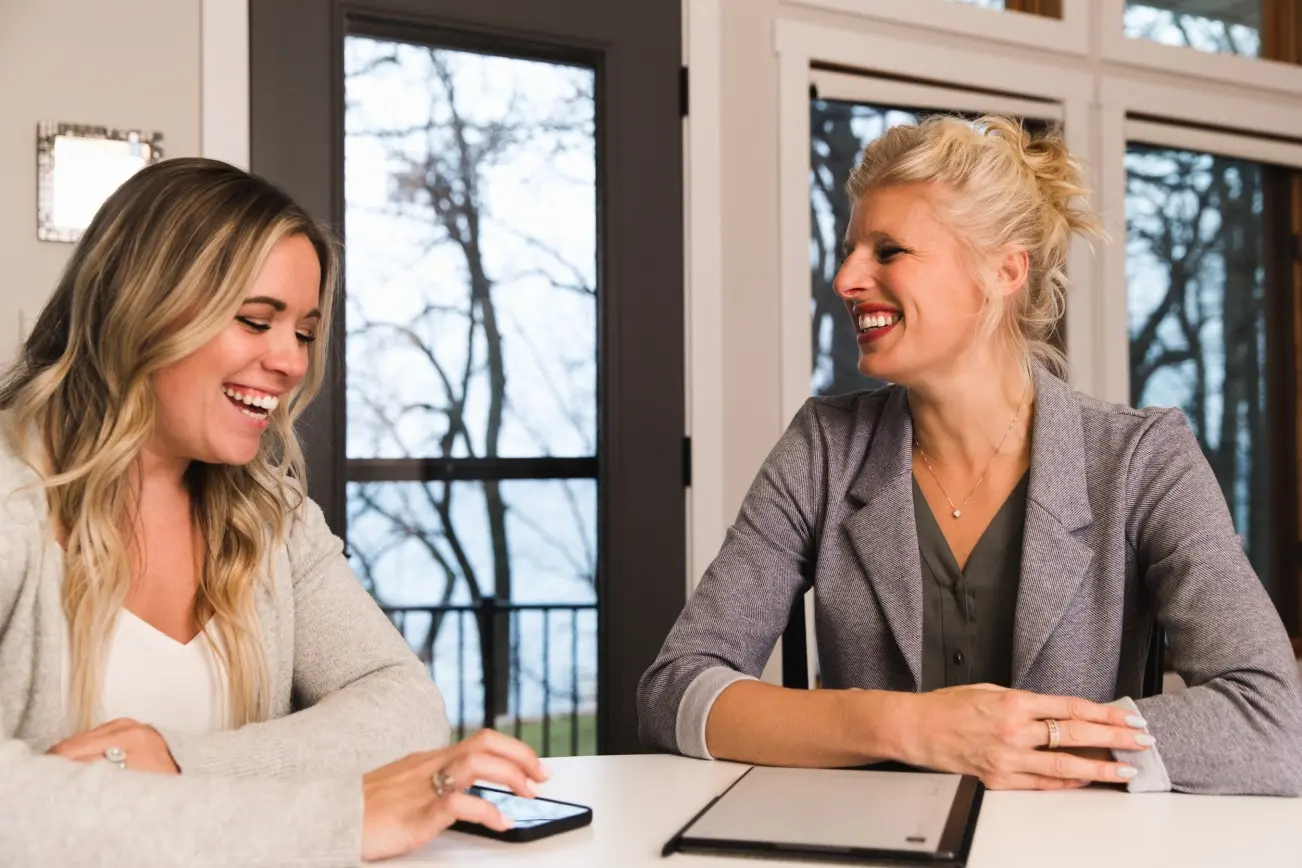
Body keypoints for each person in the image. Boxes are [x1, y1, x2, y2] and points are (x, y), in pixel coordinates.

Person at [638, 116, 1302, 795]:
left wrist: (1026, 744)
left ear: (1002, 272)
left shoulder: (1142, 459)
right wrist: (908, 727)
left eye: (888, 250)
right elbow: (676, 690)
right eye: (850, 249)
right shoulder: (824, 447)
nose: (845, 278)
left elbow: (1275, 721)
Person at [0, 158, 547, 865]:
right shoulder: (14, 501)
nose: (290, 361)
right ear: (142, 308)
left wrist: (177, 764)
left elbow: (405, 705)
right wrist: (330, 819)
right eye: (257, 320)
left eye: (304, 332)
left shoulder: (270, 514)